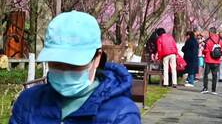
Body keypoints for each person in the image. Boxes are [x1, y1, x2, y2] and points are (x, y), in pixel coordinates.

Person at [9, 11, 140, 123]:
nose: (65, 71)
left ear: (97, 58)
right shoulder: (28, 102)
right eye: (56, 63)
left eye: (74, 64)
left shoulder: (121, 114)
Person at [201, 27, 222, 94]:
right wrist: (221, 54)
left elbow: (205, 51)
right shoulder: (220, 40)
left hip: (208, 60)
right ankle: (213, 90)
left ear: (210, 32)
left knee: (206, 75)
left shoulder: (208, 40)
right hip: (216, 61)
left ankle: (205, 88)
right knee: (215, 75)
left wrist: (203, 51)